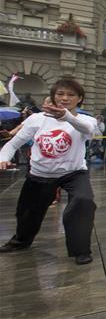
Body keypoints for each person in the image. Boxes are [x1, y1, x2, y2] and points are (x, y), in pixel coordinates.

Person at [0, 77, 97, 264]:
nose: (65, 98)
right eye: (60, 94)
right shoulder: (36, 119)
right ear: (53, 96)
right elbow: (13, 144)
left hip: (74, 173)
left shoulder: (85, 119)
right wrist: (3, 159)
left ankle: (81, 250)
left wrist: (66, 117)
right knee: (28, 212)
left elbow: (87, 129)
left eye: (71, 95)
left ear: (80, 98)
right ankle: (21, 241)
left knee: (83, 201)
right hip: (40, 174)